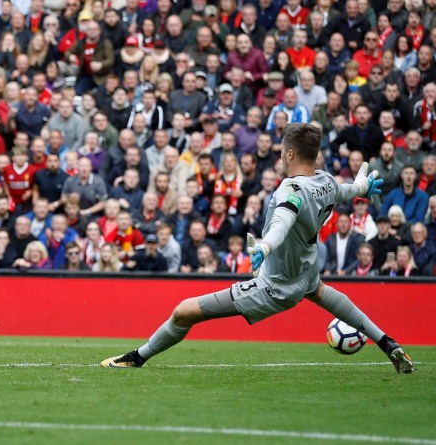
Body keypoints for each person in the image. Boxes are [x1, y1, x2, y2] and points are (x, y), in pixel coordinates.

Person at [100, 124, 415, 374]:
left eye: (281, 151)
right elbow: (346, 190)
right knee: (322, 294)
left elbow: (282, 220)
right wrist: (362, 188)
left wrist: (265, 246)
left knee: (183, 311)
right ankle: (386, 342)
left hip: (274, 286)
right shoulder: (325, 180)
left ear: (289, 155)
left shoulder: (291, 190)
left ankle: (136, 358)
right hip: (305, 272)